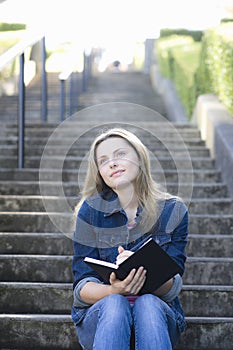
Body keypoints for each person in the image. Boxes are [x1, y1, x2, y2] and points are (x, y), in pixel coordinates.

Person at [71, 128, 188, 350]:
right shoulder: (89, 212)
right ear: (100, 174)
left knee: (148, 303)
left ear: (139, 157)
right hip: (102, 319)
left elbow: (173, 286)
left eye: (120, 154)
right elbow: (82, 288)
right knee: (115, 303)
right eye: (103, 161)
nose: (112, 163)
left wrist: (143, 270)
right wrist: (115, 290)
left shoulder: (173, 210)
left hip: (157, 319)